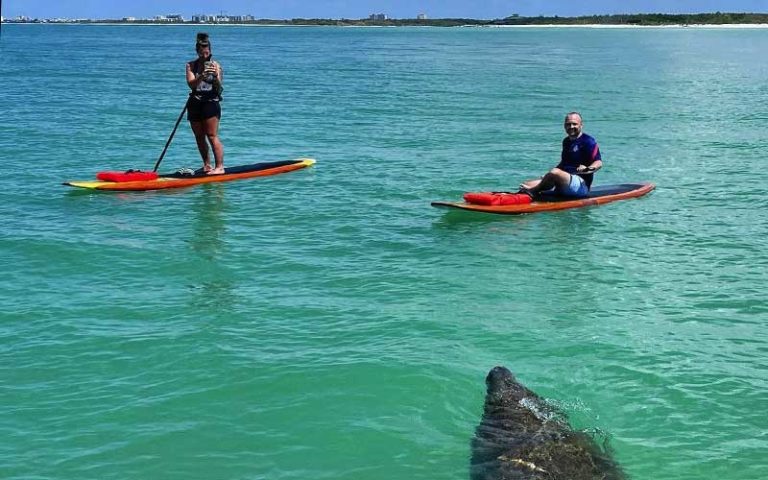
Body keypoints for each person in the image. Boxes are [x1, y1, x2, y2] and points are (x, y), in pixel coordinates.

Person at [519, 112, 602, 198]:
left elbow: (598, 162)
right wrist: (548, 176)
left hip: (580, 186)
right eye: (568, 124)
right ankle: (516, 198)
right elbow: (564, 163)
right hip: (565, 182)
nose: (571, 127)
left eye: (574, 124)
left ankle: (534, 191)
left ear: (581, 125)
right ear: (564, 126)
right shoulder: (566, 141)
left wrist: (587, 169)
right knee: (526, 184)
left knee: (554, 173)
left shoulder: (588, 141)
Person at [186, 32, 224, 174]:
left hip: (210, 103)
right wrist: (201, 75)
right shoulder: (191, 66)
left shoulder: (216, 66)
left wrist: (215, 77)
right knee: (199, 136)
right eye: (202, 53)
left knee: (211, 135)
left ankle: (219, 167)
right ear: (197, 52)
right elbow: (191, 85)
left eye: (207, 53)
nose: (205, 56)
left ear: (210, 52)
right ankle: (207, 165)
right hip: (195, 103)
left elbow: (219, 88)